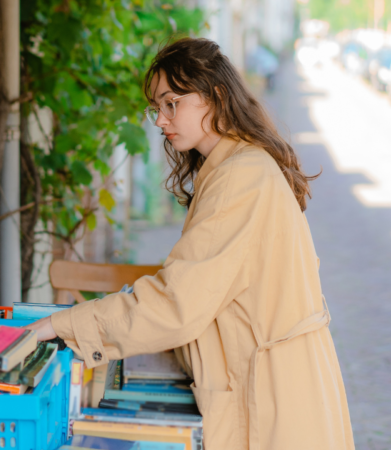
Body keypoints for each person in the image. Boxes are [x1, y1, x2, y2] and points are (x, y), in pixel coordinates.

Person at [24, 38, 354, 450]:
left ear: (214, 98)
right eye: (156, 108)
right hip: (278, 385)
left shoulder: (240, 177)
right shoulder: (237, 166)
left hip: (272, 400)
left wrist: (61, 325)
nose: (161, 120)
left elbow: (176, 303)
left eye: (172, 103)